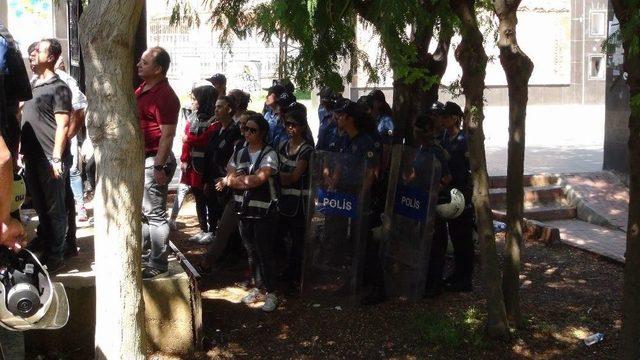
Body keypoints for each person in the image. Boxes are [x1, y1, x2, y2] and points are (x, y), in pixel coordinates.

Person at [216, 113, 280, 312]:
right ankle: (258, 287)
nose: (247, 133)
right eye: (245, 129)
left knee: (265, 251)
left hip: (264, 211)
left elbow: (257, 180)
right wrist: (233, 179)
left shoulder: (269, 154)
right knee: (251, 251)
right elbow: (230, 170)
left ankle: (272, 292)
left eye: (252, 130)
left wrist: (231, 182)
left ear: (262, 132)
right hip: (244, 210)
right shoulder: (240, 151)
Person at [20, 39, 72, 273]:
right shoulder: (32, 87)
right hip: (31, 157)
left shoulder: (59, 88)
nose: (32, 55)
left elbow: (62, 125)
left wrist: (56, 158)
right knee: (41, 208)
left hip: (49, 159)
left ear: (51, 57)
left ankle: (56, 255)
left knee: (55, 209)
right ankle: (46, 245)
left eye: (37, 52)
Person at [136, 46, 179, 279]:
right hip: (143, 158)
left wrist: (159, 165)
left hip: (155, 159)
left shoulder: (165, 96)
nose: (139, 64)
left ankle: (158, 263)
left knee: (155, 214)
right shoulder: (143, 88)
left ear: (158, 69)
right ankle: (146, 255)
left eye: (145, 62)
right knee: (145, 213)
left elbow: (168, 134)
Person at [197, 110, 249, 273]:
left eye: (249, 128)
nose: (244, 130)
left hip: (255, 200)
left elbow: (255, 176)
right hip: (236, 196)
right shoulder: (240, 145)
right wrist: (229, 179)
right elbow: (230, 166)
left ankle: (256, 276)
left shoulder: (266, 151)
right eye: (242, 125)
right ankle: (208, 263)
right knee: (224, 230)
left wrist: (229, 180)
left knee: (252, 240)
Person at [413, 106, 452, 298]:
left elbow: (446, 177)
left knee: (436, 245)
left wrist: (434, 193)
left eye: (419, 130)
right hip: (421, 202)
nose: (416, 133)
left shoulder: (436, 151)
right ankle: (426, 280)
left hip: (434, 204)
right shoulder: (420, 150)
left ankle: (435, 283)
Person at [275, 103, 314, 293]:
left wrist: (272, 176)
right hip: (284, 202)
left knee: (298, 243)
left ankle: (296, 278)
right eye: (288, 124)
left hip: (300, 205)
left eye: (294, 125)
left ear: (303, 127)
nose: (291, 128)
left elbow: (294, 176)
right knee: (280, 238)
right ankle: (286, 271)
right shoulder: (283, 145)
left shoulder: (306, 150)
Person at [180, 83, 220, 244]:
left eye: (196, 99)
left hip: (208, 165)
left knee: (210, 197)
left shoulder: (215, 120)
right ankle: (203, 228)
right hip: (193, 165)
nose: (193, 102)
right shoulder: (193, 117)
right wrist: (184, 159)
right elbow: (186, 139)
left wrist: (189, 139)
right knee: (198, 197)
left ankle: (212, 230)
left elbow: (206, 139)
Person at [441, 101, 474, 292]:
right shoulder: (445, 137)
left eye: (446, 116)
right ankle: (457, 274)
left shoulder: (463, 140)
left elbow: (470, 169)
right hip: (449, 193)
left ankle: (465, 278)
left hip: (462, 193)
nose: (443, 120)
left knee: (463, 237)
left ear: (455, 118)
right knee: (454, 234)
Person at [263, 81, 287, 146]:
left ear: (278, 97)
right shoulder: (267, 115)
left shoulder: (285, 116)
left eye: (270, 94)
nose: (267, 96)